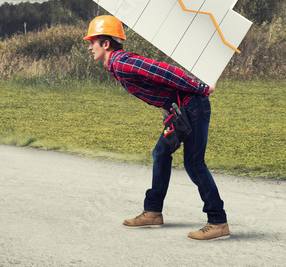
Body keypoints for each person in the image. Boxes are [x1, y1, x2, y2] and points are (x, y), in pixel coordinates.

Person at [84, 15, 230, 241]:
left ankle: (218, 221)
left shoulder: (122, 62)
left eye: (92, 41)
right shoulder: (117, 64)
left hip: (192, 106)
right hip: (181, 109)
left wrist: (200, 88)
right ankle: (153, 212)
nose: (89, 46)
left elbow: (165, 71)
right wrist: (169, 109)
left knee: (194, 163)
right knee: (160, 153)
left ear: (105, 44)